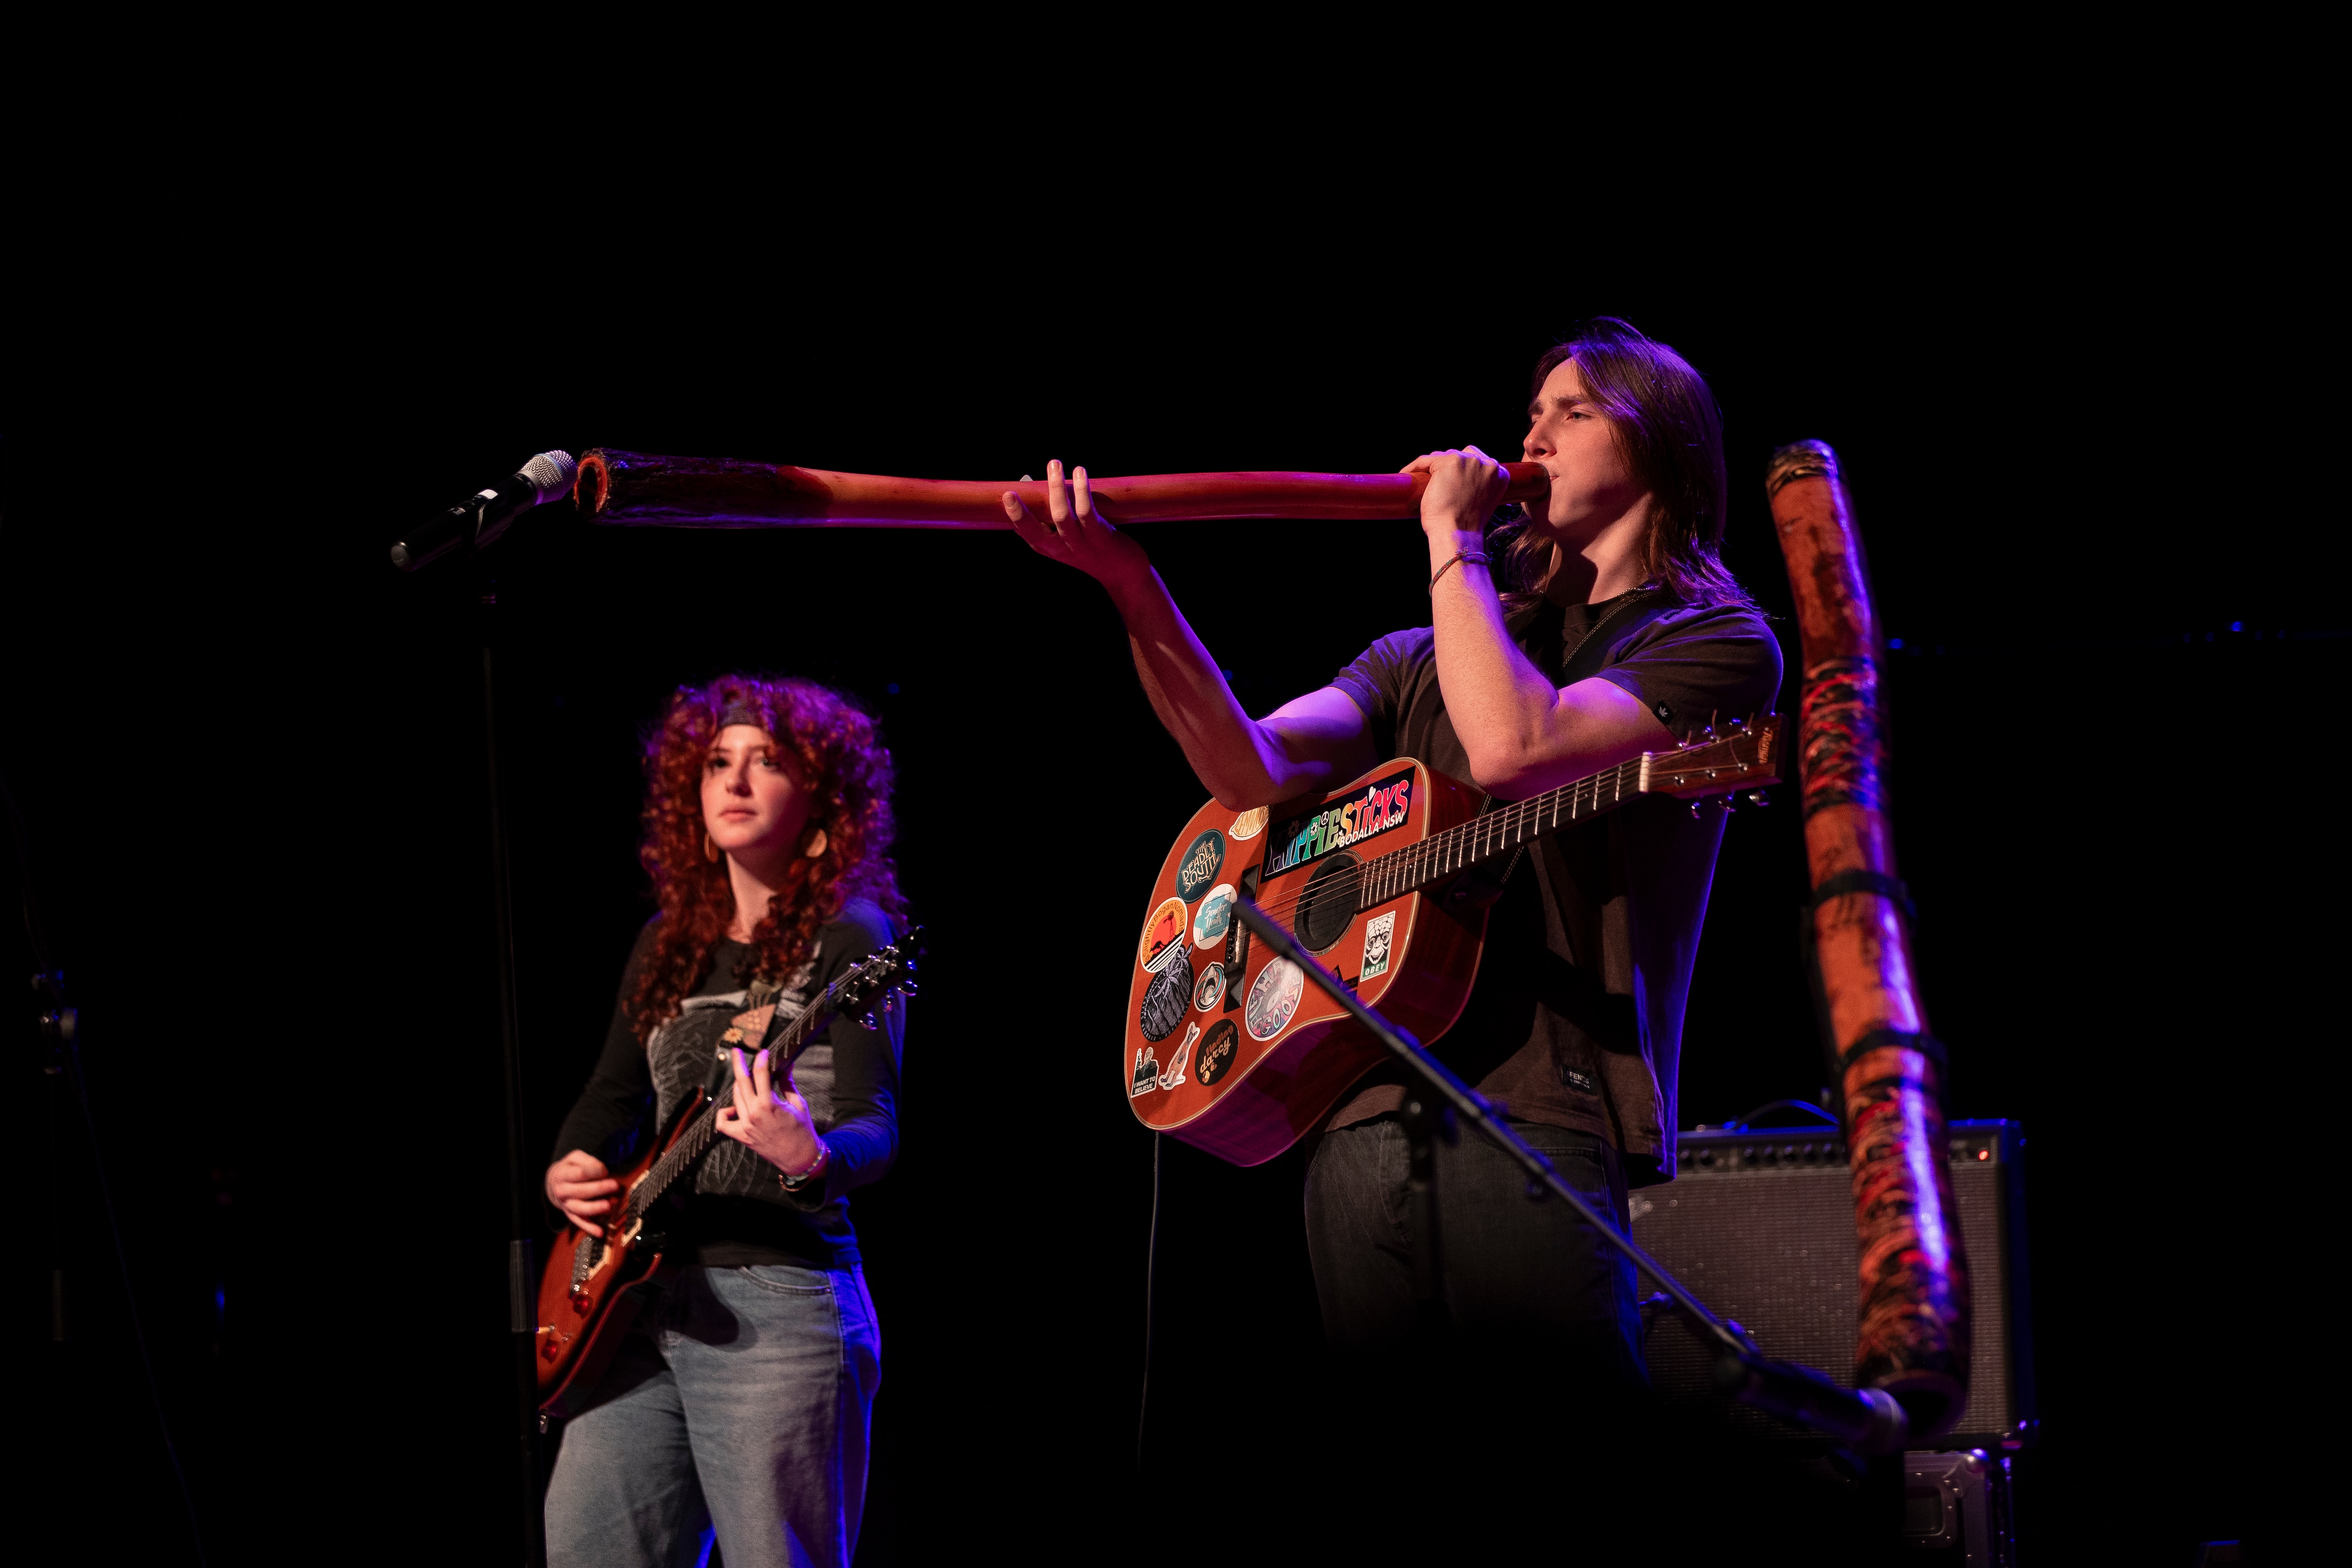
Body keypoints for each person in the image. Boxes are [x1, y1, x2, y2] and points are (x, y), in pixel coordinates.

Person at [1003, 319, 1781, 1395]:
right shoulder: (1420, 651)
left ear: (1660, 446)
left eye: (1575, 411)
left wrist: (1447, 540)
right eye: (1531, 413)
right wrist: (1127, 582)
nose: (1533, 436)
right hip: (1359, 1112)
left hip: (1535, 1108)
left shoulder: (1714, 640)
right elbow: (1247, 767)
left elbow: (1516, 745)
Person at [542, 675, 906, 1568]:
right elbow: (611, 1098)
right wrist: (569, 1165)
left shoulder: (850, 937)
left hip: (779, 1307)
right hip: (633, 1310)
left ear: (822, 797)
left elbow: (876, 1123)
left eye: (767, 762)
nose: (735, 782)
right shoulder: (667, 939)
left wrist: (811, 1156)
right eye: (716, 763)